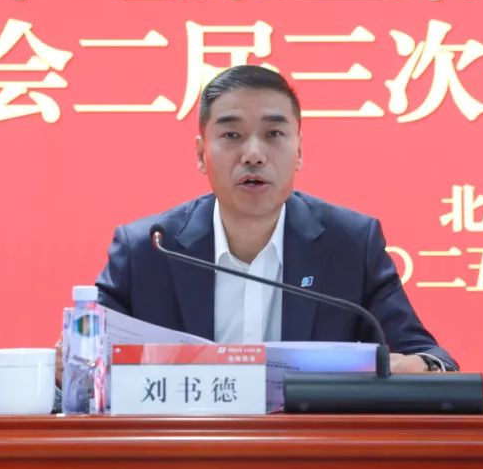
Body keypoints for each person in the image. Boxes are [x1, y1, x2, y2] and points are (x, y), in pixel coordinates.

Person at [77, 64, 458, 376]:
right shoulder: (149, 249)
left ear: (299, 151)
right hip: (186, 443)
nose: (254, 154)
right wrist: (72, 365)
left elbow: (426, 355)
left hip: (308, 445)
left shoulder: (350, 244)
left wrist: (421, 366)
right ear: (200, 154)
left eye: (274, 133)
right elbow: (84, 360)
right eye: (231, 135)